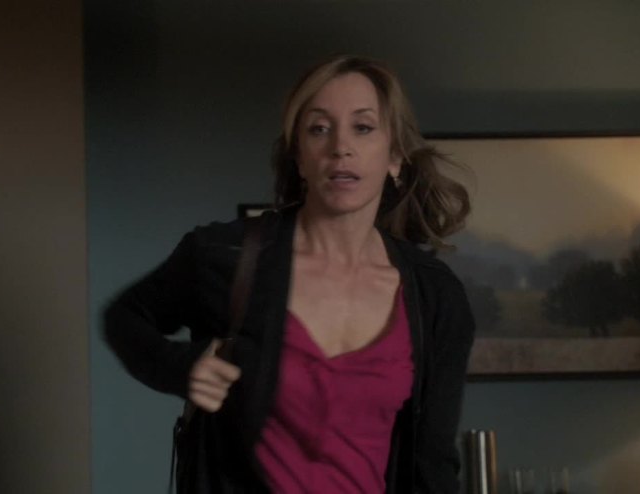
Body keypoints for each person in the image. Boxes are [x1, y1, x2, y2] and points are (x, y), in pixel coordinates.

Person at [104, 55, 475, 493]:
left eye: (363, 127)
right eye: (319, 128)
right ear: (299, 157)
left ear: (395, 156)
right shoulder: (224, 255)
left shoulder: (434, 295)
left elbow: (432, 465)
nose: (340, 147)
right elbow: (125, 317)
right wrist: (180, 366)